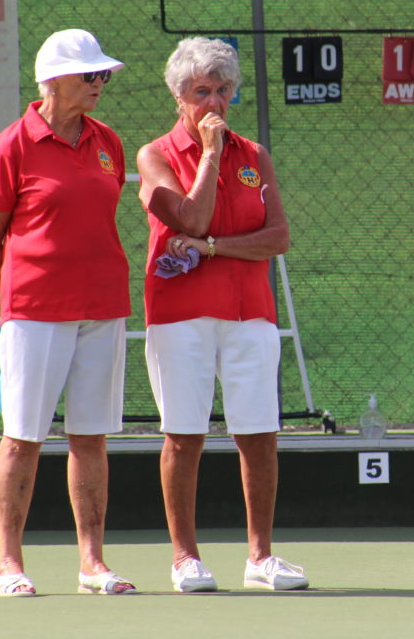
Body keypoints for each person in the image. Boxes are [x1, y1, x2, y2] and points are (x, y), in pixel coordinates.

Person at [136, 37, 308, 593]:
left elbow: (278, 237)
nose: (214, 102)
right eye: (201, 91)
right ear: (179, 96)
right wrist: (209, 155)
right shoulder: (155, 154)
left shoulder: (256, 155)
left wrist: (210, 247)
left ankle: (261, 557)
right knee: (184, 434)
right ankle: (185, 557)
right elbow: (191, 213)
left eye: (224, 90)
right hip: (179, 313)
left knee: (258, 434)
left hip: (250, 313)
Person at [0, 29, 135, 597]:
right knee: (22, 438)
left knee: (90, 437)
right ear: (54, 81)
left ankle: (92, 563)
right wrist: (16, 303)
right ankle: (8, 565)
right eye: (90, 75)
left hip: (104, 307)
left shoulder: (107, 141)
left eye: (103, 75)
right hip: (34, 312)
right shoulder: (9, 146)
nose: (100, 84)